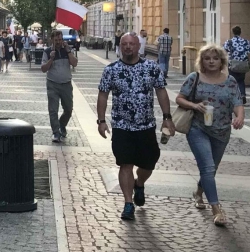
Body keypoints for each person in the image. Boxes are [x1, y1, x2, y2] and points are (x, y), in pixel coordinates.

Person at [97, 32, 175, 221]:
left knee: (149, 163)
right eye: (124, 44)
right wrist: (101, 121)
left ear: (138, 46)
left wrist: (167, 117)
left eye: (132, 44)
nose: (128, 47)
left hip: (145, 125)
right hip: (122, 126)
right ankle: (128, 203)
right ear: (120, 46)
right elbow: (103, 95)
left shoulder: (151, 67)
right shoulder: (111, 70)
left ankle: (139, 183)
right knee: (125, 164)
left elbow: (161, 92)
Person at [176, 44, 244, 226]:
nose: (211, 61)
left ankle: (198, 193)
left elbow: (237, 103)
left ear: (222, 61)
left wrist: (239, 117)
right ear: (202, 61)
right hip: (198, 128)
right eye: (207, 58)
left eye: (215, 58)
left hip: (222, 130)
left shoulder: (230, 81)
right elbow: (180, 98)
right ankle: (216, 208)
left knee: (211, 169)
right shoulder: (194, 78)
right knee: (207, 167)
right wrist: (194, 105)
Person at [41, 30, 77, 143]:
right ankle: (56, 132)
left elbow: (74, 63)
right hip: (53, 84)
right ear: (52, 40)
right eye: (56, 40)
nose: (58, 42)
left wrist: (68, 51)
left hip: (66, 84)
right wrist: (51, 59)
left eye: (60, 39)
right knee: (53, 110)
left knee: (68, 109)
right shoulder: (47, 51)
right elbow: (43, 69)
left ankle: (62, 124)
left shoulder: (67, 50)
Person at [223, 26, 250, 105]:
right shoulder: (246, 41)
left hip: (233, 64)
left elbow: (224, 50)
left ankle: (232, 96)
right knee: (241, 80)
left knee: (232, 80)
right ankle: (242, 95)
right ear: (240, 32)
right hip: (243, 64)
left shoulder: (229, 42)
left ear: (233, 32)